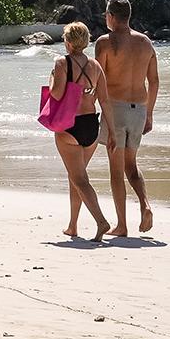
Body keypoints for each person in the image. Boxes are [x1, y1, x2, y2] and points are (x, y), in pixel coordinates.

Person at [93, 0, 160, 236]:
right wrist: (149, 113)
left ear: (111, 16)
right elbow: (154, 81)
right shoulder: (145, 42)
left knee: (116, 170)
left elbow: (98, 80)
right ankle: (145, 204)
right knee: (131, 165)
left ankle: (121, 225)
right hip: (139, 109)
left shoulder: (104, 42)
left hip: (116, 110)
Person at [47, 21, 111, 241]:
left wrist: (52, 76)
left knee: (79, 179)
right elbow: (104, 100)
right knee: (77, 176)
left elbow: (56, 94)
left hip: (69, 125)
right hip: (91, 125)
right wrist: (111, 130)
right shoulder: (95, 65)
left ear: (67, 42)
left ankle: (101, 221)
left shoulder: (62, 63)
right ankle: (73, 225)